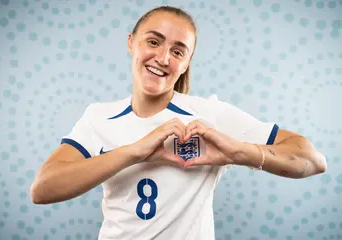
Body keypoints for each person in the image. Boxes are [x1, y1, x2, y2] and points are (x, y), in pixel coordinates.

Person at [30, 6, 327, 240]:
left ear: (186, 63)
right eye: (153, 41)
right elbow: (42, 189)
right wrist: (135, 152)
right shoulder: (98, 116)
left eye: (177, 51)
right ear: (131, 43)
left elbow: (311, 159)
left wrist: (238, 153)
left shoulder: (208, 114)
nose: (162, 58)